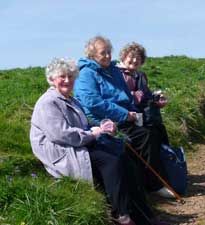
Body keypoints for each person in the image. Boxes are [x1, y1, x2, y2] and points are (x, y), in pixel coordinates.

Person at [30, 58, 169, 225]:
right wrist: (93, 134)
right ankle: (121, 214)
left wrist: (103, 126)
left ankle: (145, 216)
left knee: (126, 159)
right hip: (62, 152)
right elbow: (61, 135)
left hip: (77, 145)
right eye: (62, 77)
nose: (67, 80)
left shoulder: (70, 100)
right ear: (52, 79)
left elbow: (83, 125)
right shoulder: (48, 102)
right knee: (111, 161)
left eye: (70, 76)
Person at [73, 35, 174, 198]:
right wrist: (125, 114)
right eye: (102, 53)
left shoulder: (113, 70)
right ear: (92, 55)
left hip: (124, 116)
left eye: (108, 52)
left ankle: (154, 180)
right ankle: (154, 186)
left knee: (154, 130)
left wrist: (134, 113)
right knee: (144, 136)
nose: (107, 56)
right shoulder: (86, 74)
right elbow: (93, 102)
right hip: (103, 120)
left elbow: (126, 96)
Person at [117, 42, 169, 145]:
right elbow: (116, 95)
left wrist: (157, 99)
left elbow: (146, 95)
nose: (135, 60)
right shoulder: (117, 74)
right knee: (148, 136)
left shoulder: (141, 75)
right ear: (123, 57)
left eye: (138, 58)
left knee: (160, 131)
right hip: (127, 117)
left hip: (144, 117)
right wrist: (134, 95)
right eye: (131, 57)